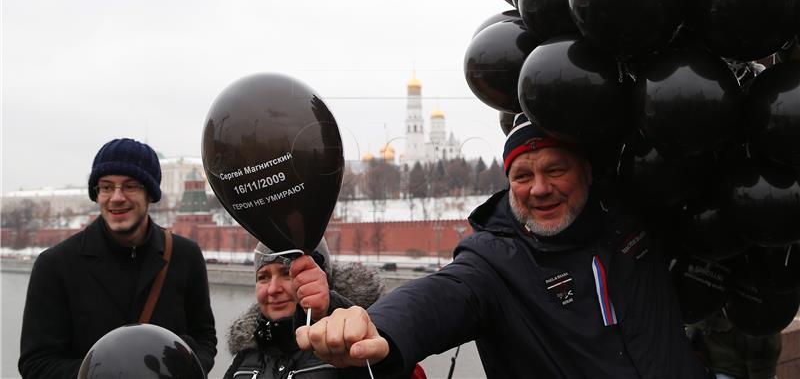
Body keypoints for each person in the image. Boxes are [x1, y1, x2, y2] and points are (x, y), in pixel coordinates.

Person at [296, 114, 711, 378]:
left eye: (556, 169)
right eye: (522, 176)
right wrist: (381, 327)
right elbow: (443, 295)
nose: (540, 189)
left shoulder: (632, 220)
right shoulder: (494, 261)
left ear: (586, 172)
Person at [19, 138, 217, 378]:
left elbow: (204, 339)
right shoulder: (55, 265)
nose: (116, 197)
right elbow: (36, 363)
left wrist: (178, 366)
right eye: (106, 187)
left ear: (150, 193)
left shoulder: (185, 256)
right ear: (96, 194)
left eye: (130, 186)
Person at [223, 240, 354, 379]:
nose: (273, 289)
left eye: (287, 273)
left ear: (322, 279)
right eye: (263, 277)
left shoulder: (348, 351)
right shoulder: (245, 358)